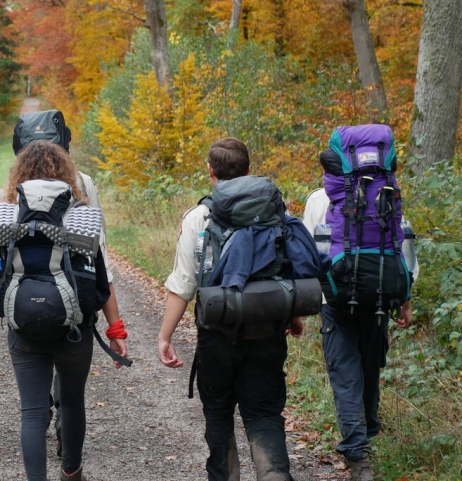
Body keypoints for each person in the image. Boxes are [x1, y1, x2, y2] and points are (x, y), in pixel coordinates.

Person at [157, 137, 305, 481]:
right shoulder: (275, 212)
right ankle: (274, 474)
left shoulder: (198, 217)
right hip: (267, 329)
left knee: (219, 415)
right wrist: (294, 316)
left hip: (217, 335)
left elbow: (183, 284)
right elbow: (285, 269)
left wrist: (165, 337)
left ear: (210, 170)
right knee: (264, 414)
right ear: (249, 169)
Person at [0, 140, 127, 481]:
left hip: (23, 325)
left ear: (20, 175)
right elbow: (102, 278)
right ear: (66, 174)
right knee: (71, 401)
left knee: (31, 412)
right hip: (75, 328)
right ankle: (71, 471)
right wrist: (116, 330)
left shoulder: (8, 216)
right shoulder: (83, 217)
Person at [302, 187, 415, 481]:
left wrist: (300, 306)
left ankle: (358, 454)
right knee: (369, 369)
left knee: (345, 375)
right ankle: (366, 435)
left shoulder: (319, 199)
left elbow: (309, 253)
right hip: (378, 298)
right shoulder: (385, 189)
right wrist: (405, 301)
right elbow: (402, 246)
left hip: (335, 301)